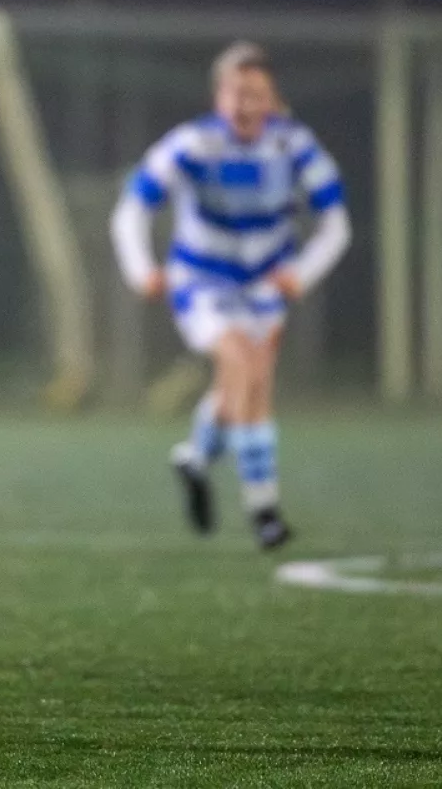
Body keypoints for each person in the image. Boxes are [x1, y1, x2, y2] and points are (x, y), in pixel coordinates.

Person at [110, 42, 351, 549]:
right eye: (238, 94)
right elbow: (132, 207)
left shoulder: (293, 145)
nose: (247, 105)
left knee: (248, 383)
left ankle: (195, 460)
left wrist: (301, 272)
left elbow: (337, 222)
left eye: (257, 94)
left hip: (263, 284)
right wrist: (140, 269)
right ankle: (264, 508)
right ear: (219, 97)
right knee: (242, 363)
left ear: (272, 98)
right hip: (201, 282)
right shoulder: (193, 144)